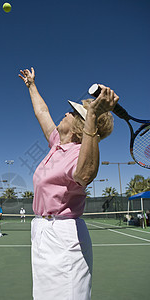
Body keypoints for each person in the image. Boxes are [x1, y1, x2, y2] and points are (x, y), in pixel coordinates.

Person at [19, 67, 119, 300]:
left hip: (63, 235)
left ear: (80, 125)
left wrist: (92, 117)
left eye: (73, 112)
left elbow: (85, 174)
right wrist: (32, 85)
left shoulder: (79, 152)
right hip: (42, 231)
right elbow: (42, 112)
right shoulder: (57, 144)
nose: (65, 112)